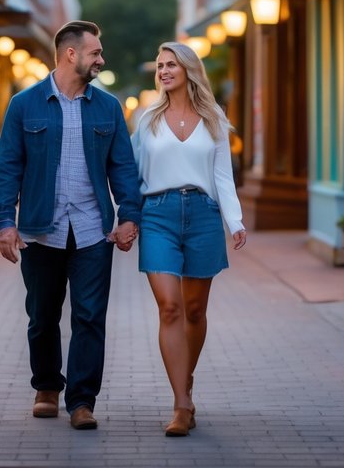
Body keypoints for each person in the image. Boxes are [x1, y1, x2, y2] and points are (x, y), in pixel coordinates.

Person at [0, 20, 142, 431]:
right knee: (42, 315)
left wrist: (129, 216)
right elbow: (8, 167)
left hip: (94, 230)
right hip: (41, 229)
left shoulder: (108, 107)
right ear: (71, 54)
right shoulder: (25, 104)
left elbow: (123, 167)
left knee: (90, 317)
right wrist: (6, 222)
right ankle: (45, 387)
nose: (101, 59)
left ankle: (81, 401)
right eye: (95, 52)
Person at [131, 41, 246, 436]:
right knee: (170, 308)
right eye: (159, 66)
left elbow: (222, 177)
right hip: (158, 214)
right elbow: (132, 174)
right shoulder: (147, 121)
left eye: (171, 65)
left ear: (188, 70)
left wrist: (235, 221)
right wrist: (125, 218)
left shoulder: (214, 118)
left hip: (203, 217)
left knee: (195, 311)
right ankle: (182, 403)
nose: (163, 71)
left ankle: (187, 380)